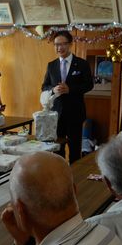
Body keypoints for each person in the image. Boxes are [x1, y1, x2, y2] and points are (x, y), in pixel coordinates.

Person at [41, 30, 93, 163]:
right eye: (56, 45)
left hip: (75, 113)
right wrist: (53, 89)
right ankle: (60, 173)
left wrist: (71, 89)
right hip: (56, 114)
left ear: (70, 44)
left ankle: (75, 174)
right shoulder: (51, 65)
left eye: (63, 44)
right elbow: (44, 86)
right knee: (57, 149)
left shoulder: (82, 64)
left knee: (75, 149)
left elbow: (89, 85)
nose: (59, 48)